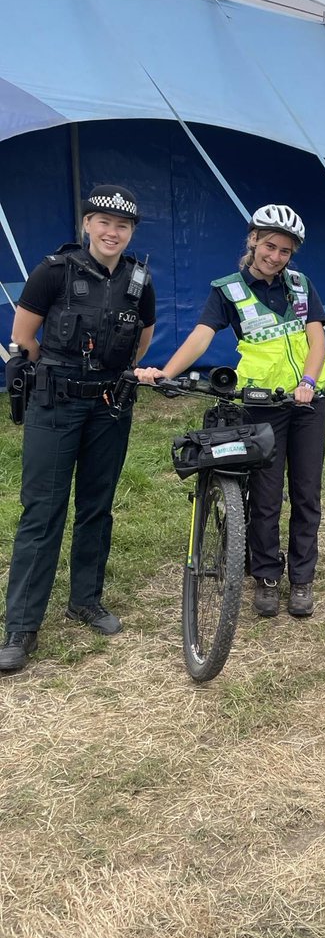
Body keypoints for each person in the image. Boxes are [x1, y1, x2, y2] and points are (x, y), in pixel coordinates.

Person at [136, 204, 325, 619]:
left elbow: (318, 342)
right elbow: (201, 336)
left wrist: (309, 383)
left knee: (306, 494)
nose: (275, 256)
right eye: (269, 246)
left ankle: (302, 580)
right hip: (261, 405)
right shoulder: (228, 290)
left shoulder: (301, 285)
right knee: (264, 496)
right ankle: (265, 576)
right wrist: (166, 373)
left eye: (284, 251)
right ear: (253, 242)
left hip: (306, 403)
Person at [0, 187, 156, 673]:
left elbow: (141, 342)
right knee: (43, 511)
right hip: (55, 404)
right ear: (87, 224)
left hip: (109, 408)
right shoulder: (53, 272)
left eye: (123, 225)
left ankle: (85, 599)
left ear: (131, 233)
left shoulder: (139, 280)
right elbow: (23, 339)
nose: (112, 232)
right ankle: (21, 625)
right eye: (103, 222)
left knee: (96, 506)